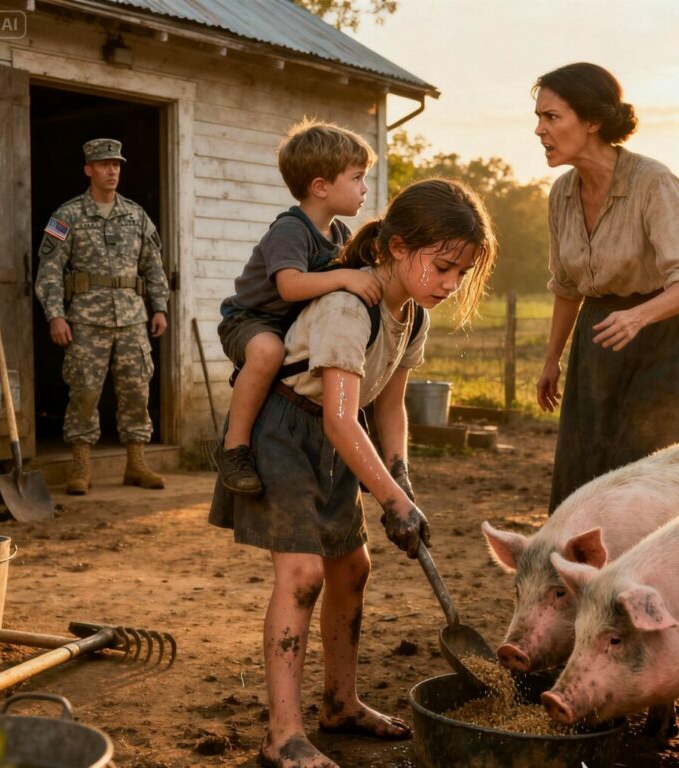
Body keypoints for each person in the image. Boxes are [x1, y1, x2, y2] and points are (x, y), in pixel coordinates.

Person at [209, 178, 496, 768]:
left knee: (353, 567)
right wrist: (390, 501)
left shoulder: (412, 315)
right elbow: (341, 417)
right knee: (304, 574)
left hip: (341, 440)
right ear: (396, 247)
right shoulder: (347, 307)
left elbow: (388, 403)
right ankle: (281, 736)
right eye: (442, 266)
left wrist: (400, 475)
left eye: (461, 274)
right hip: (287, 431)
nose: (450, 284)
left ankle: (341, 704)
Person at [532, 63, 679, 513]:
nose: (539, 130)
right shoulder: (561, 194)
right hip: (597, 344)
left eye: (552, 117)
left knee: (652, 481)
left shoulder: (653, 182)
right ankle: (584, 582)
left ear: (592, 121)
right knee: (586, 472)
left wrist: (638, 316)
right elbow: (567, 286)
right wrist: (552, 359)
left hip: (659, 343)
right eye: (538, 118)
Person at [216, 119, 382, 496]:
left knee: (340, 361)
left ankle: (358, 452)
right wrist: (345, 278)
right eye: (357, 178)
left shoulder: (340, 234)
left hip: (294, 323)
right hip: (252, 319)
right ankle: (234, 447)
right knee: (267, 351)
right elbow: (290, 286)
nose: (364, 188)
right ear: (320, 187)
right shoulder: (291, 230)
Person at [35, 138, 170, 495]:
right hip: (85, 321)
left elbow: (153, 266)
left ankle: (137, 464)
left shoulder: (137, 216)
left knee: (137, 392)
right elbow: (49, 269)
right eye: (105, 164)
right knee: (84, 392)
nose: (112, 171)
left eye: (117, 165)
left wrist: (160, 307)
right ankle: (81, 467)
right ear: (88, 170)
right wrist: (55, 316)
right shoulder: (66, 216)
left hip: (131, 319)